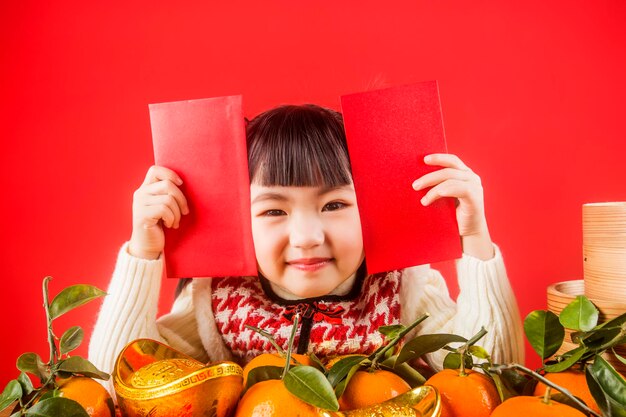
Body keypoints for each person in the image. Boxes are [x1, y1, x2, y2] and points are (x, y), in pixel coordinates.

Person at [89, 104, 524, 394]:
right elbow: (121, 382)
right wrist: (144, 253)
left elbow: (499, 379)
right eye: (274, 211)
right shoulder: (218, 300)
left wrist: (474, 239)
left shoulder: (401, 288)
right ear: (240, 219)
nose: (307, 236)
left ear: (369, 206)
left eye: (334, 204)